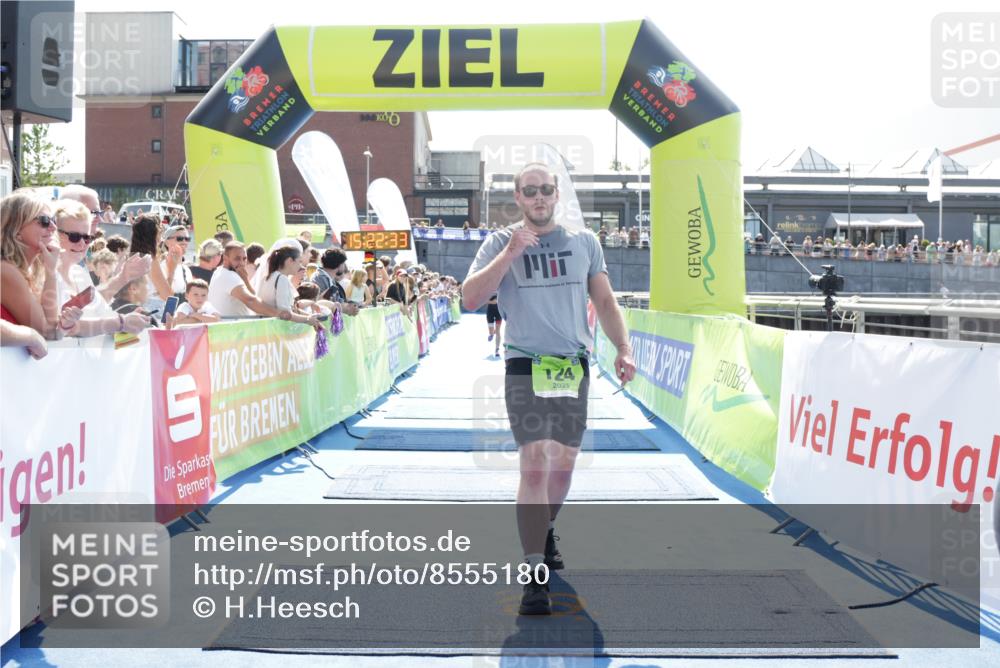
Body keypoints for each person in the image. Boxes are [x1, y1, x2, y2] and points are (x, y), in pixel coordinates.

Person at [462, 162, 636, 616]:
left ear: (556, 195)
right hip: (524, 362)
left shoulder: (585, 243)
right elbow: (471, 298)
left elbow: (603, 299)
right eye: (529, 191)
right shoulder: (499, 242)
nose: (538, 197)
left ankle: (545, 529)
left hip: (571, 364)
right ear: (517, 198)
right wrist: (510, 254)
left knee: (563, 465)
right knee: (534, 464)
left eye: (545, 190)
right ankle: (534, 574)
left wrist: (623, 347)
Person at [0, 191, 83, 338]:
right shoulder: (5, 270)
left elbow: (52, 329)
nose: (53, 227)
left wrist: (65, 323)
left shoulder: (32, 269)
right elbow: (47, 332)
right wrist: (50, 273)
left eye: (53, 220)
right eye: (44, 221)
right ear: (16, 230)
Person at [208, 242, 292, 319]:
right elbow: (251, 300)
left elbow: (252, 295)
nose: (241, 263)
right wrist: (280, 314)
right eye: (237, 259)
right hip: (232, 330)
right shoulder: (230, 276)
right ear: (225, 259)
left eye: (244, 259)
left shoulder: (220, 271)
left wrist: (245, 279)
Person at [258, 244, 323, 329]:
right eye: (299, 261)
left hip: (268, 329)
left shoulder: (269, 277)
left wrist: (310, 317)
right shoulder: (281, 279)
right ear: (289, 261)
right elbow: (285, 313)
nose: (301, 266)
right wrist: (308, 319)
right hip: (276, 331)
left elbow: (290, 310)